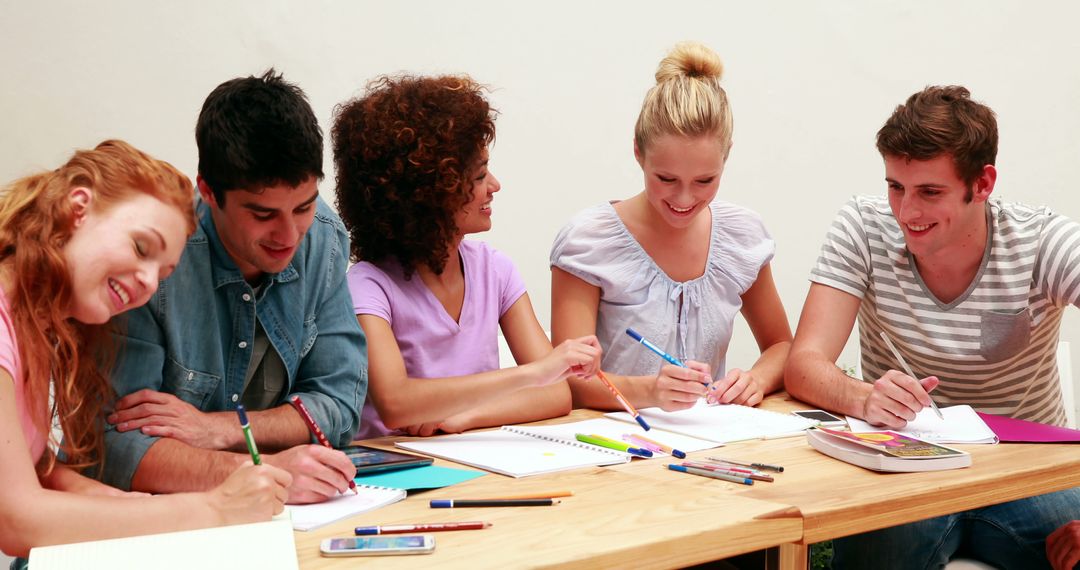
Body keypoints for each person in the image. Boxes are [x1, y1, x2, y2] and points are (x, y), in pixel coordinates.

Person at [784, 85, 1080, 569]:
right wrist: (863, 397)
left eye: (930, 192)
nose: (906, 212)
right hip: (905, 467)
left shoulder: (1042, 241)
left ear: (982, 184)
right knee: (876, 554)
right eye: (896, 187)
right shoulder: (863, 226)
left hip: (1027, 473)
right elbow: (804, 364)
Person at [0, 140, 290, 561]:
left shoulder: (34, 323)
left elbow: (36, 468)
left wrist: (134, 508)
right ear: (77, 208)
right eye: (141, 248)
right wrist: (213, 508)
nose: (148, 284)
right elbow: (15, 520)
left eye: (163, 273)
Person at [101, 70, 365, 504]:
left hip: (282, 513)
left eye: (302, 206)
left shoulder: (323, 236)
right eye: (263, 215)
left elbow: (339, 403)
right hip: (161, 519)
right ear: (208, 191)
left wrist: (219, 428)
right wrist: (262, 472)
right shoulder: (154, 257)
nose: (290, 235)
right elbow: (116, 446)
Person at [332, 74, 601, 438]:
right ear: (430, 193)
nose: (494, 186)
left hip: (472, 463)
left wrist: (463, 416)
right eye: (478, 176)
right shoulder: (369, 286)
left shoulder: (495, 269)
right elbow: (396, 403)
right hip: (401, 474)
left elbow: (555, 392)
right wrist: (532, 375)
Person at [550, 41, 791, 412]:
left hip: (710, 443)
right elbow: (570, 380)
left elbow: (781, 345)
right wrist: (650, 391)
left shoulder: (742, 236)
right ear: (637, 153)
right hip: (613, 450)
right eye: (665, 178)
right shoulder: (589, 241)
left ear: (726, 158)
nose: (683, 199)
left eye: (705, 181)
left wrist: (756, 380)